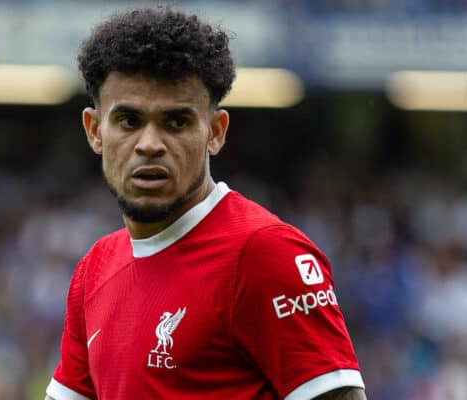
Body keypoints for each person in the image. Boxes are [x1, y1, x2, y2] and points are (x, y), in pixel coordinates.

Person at [45, 7, 366, 400]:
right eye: (128, 121)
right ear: (95, 131)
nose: (149, 144)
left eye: (176, 122)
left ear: (215, 132)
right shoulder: (93, 271)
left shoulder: (264, 254)